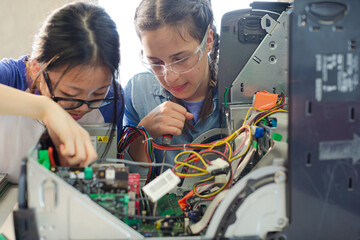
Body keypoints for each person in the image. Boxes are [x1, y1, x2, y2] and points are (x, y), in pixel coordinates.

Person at [0, 2, 123, 182]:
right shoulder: (10, 78)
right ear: (36, 69)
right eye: (70, 94)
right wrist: (46, 109)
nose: (82, 108)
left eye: (98, 95)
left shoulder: (113, 100)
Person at [123, 0, 220, 172]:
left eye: (180, 59)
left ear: (208, 41)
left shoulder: (240, 89)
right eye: (156, 62)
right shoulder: (138, 91)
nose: (170, 77)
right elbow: (132, 177)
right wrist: (144, 133)